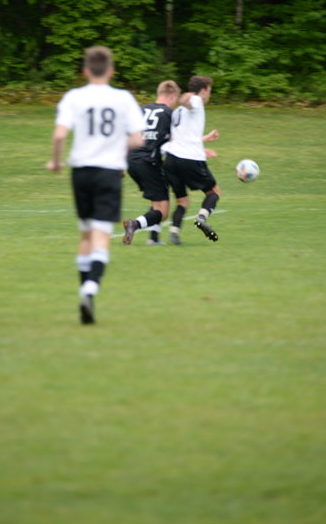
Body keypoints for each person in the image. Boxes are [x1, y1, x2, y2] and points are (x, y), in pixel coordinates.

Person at [47, 45, 144, 325]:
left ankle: (84, 294)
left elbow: (59, 135)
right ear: (111, 71)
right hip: (108, 172)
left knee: (86, 236)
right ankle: (89, 291)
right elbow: (138, 139)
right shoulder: (123, 98)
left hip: (81, 173)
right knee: (101, 237)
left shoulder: (74, 97)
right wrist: (116, 145)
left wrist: (55, 162)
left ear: (85, 71)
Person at [162, 75, 220, 245]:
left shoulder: (177, 111)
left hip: (171, 159)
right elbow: (188, 102)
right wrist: (185, 99)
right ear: (203, 90)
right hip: (189, 159)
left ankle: (174, 232)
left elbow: (181, 136)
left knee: (182, 201)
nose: (209, 95)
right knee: (214, 192)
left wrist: (204, 139)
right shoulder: (196, 100)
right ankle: (201, 218)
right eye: (209, 91)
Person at [122, 80, 181, 246]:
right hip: (149, 162)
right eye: (175, 99)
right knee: (163, 211)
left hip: (132, 160)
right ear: (172, 95)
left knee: (157, 200)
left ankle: (153, 239)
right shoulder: (169, 114)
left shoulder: (140, 110)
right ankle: (134, 224)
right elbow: (177, 139)